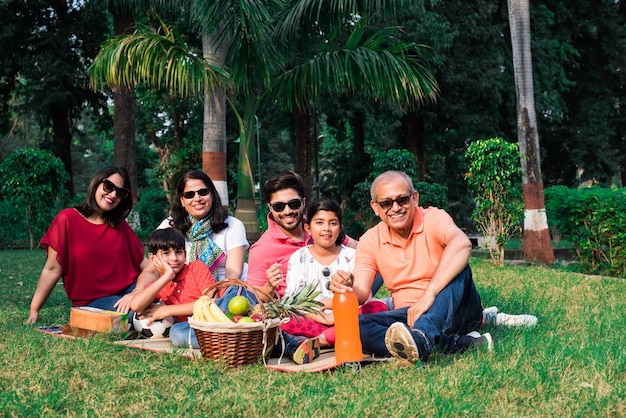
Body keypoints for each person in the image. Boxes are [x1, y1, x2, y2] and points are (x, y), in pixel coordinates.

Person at [331, 170, 492, 364]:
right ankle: (451, 344)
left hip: (457, 310)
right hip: (410, 315)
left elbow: (462, 244)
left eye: (402, 200)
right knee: (353, 327)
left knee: (459, 268)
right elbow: (361, 293)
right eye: (387, 203)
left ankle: (423, 337)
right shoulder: (370, 240)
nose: (396, 208)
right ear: (376, 207)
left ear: (414, 198)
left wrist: (429, 295)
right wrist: (346, 286)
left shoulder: (433, 218)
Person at [26, 166, 147, 324]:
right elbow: (52, 269)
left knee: (160, 302)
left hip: (130, 290)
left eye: (120, 192)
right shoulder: (67, 219)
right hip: (93, 302)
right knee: (138, 316)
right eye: (109, 186)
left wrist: (139, 291)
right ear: (96, 184)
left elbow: (145, 264)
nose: (113, 195)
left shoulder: (119, 225)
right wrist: (34, 310)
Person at [280, 199, 387, 364]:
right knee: (284, 320)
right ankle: (328, 338)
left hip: (349, 317)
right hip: (313, 320)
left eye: (333, 223)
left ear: (341, 229)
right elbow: (294, 302)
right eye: (319, 223)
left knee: (378, 308)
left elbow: (361, 296)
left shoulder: (352, 256)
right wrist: (325, 317)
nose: (326, 229)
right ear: (308, 228)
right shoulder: (299, 258)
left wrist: (335, 313)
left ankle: (319, 342)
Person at [136, 170, 249, 308]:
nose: (197, 198)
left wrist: (212, 299)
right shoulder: (169, 225)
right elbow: (151, 271)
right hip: (181, 292)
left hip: (223, 289)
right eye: (189, 195)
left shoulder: (232, 225)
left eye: (203, 192)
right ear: (182, 201)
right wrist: (138, 292)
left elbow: (233, 274)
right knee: (137, 309)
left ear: (212, 194)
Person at [130, 228, 215, 346]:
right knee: (177, 334)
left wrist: (167, 310)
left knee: (234, 292)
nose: (174, 258)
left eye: (178, 252)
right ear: (153, 258)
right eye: (166, 253)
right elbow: (135, 306)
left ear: (185, 254)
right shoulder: (159, 285)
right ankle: (220, 341)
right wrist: (167, 276)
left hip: (218, 316)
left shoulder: (196, 268)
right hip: (197, 328)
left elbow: (210, 304)